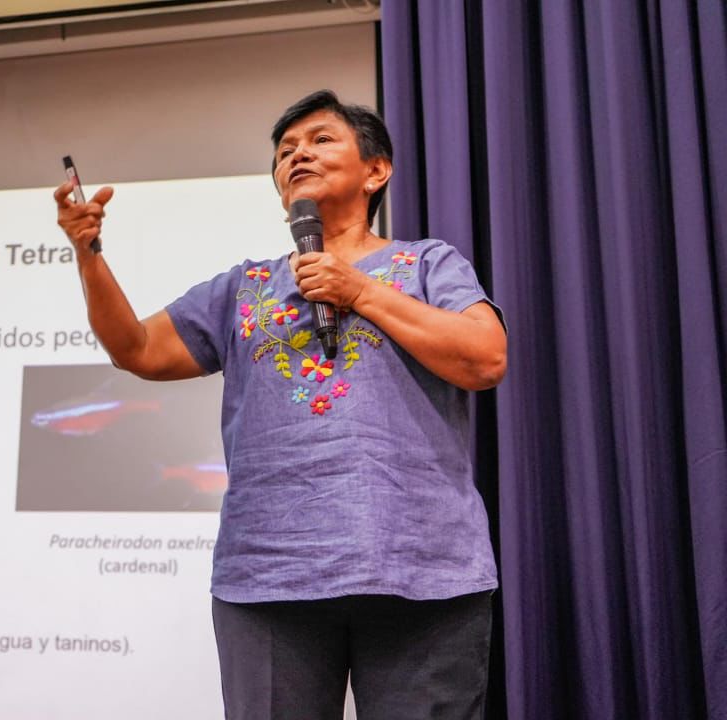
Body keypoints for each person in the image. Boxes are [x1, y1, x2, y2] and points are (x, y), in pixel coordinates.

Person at [53, 89, 507, 720]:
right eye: (284, 151)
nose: (298, 155)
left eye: (321, 140)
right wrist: (89, 255)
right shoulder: (245, 286)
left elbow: (485, 358)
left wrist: (359, 291)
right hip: (268, 572)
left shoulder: (428, 264)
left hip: (420, 566)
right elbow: (136, 349)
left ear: (376, 170)